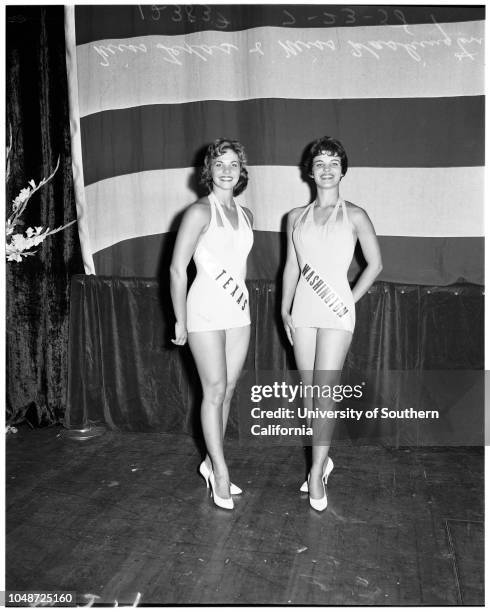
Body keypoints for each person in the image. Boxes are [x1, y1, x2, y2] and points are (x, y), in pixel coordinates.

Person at [281, 136, 382, 511]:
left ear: (342, 170)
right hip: (303, 310)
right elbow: (291, 266)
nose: (326, 168)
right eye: (319, 162)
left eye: (333, 162)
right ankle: (322, 463)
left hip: (337, 311)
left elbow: (375, 264)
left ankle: (315, 472)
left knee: (324, 392)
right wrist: (284, 310)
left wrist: (348, 300)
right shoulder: (295, 217)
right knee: (309, 394)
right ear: (310, 170)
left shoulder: (356, 214)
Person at [170, 138, 253, 510]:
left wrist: (243, 306)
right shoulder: (198, 213)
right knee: (214, 390)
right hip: (204, 311)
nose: (226, 170)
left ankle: (209, 461)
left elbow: (239, 264)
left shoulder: (246, 215)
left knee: (230, 390)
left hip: (238, 313)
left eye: (233, 164)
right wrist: (180, 320)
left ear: (241, 170)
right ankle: (220, 471)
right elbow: (176, 269)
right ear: (208, 170)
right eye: (219, 163)